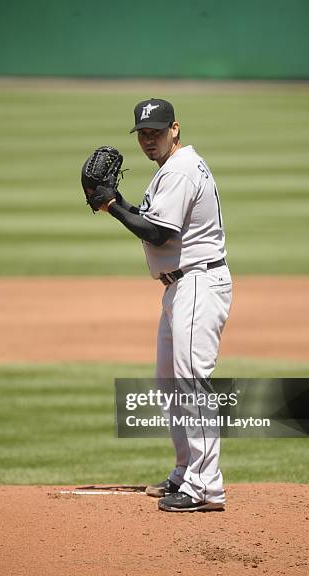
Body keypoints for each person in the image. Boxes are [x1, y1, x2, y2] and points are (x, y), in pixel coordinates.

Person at [87, 98, 232, 512]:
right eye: (143, 134)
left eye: (156, 131)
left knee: (191, 383)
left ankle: (206, 487)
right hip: (181, 288)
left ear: (175, 129)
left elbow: (158, 235)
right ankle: (186, 472)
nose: (149, 140)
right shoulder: (173, 170)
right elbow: (153, 221)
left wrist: (112, 205)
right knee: (169, 384)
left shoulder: (182, 170)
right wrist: (117, 202)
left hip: (197, 283)